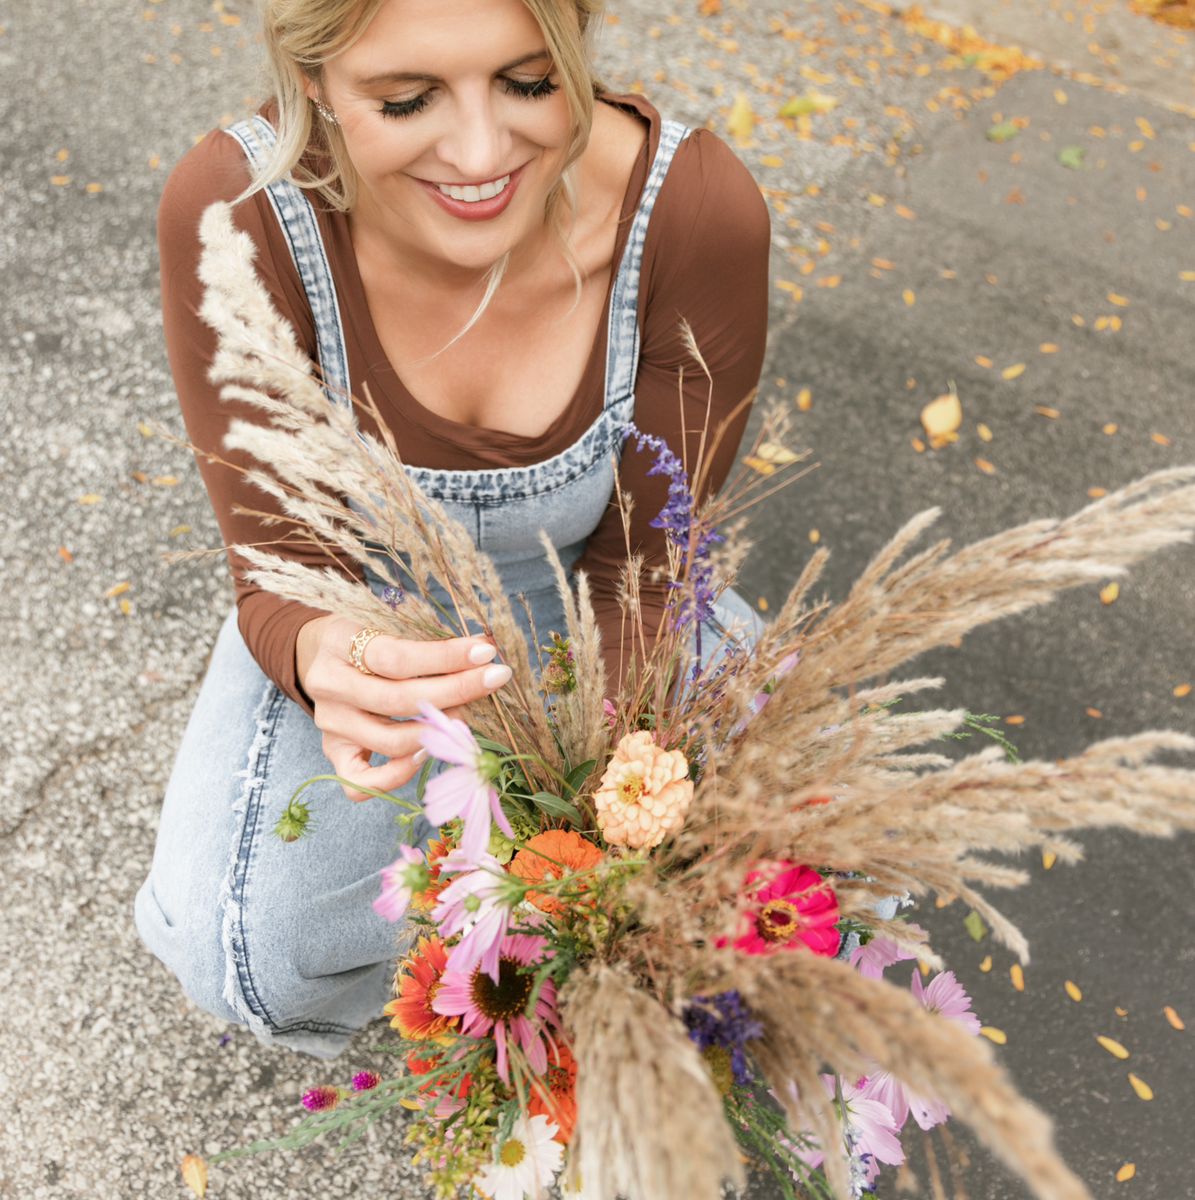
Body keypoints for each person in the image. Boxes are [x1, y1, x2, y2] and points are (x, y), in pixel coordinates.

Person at [135, 0, 770, 1059]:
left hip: (607, 604)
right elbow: (284, 564)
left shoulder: (695, 213)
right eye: (406, 99)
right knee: (247, 950)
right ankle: (442, 1015)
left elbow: (652, 568)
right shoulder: (239, 213)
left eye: (529, 83)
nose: (481, 153)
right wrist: (325, 654)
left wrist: (578, 805)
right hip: (367, 613)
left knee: (778, 879)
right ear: (312, 81)